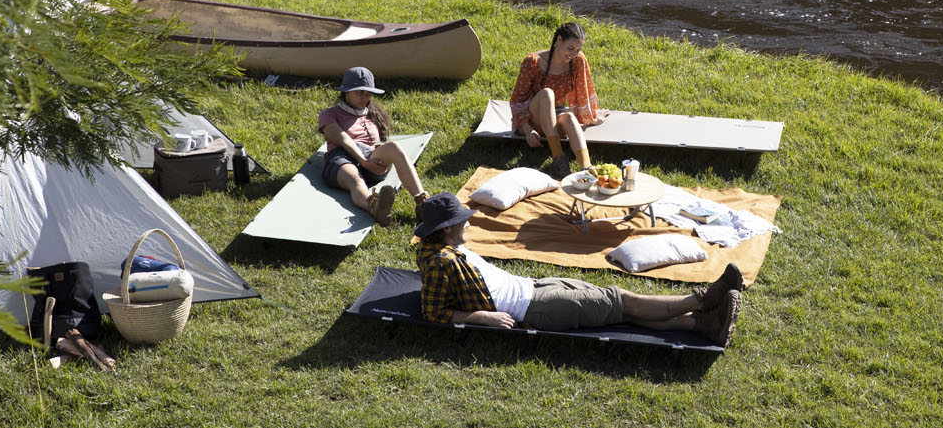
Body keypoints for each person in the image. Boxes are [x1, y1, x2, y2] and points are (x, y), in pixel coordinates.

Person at [413, 193, 745, 346]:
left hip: (535, 286)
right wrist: (479, 318)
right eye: (461, 222)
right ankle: (701, 300)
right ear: (445, 229)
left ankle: (703, 325)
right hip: (532, 308)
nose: (467, 225)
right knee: (621, 301)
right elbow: (433, 312)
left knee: (616, 311)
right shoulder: (439, 262)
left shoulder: (447, 247)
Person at [317, 66, 429, 226]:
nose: (365, 96)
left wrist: (373, 162)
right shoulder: (329, 114)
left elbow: (376, 145)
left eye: (368, 92)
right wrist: (364, 161)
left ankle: (423, 203)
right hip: (340, 158)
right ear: (347, 91)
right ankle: (374, 206)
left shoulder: (371, 113)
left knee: (394, 148)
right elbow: (342, 139)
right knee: (355, 179)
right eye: (359, 92)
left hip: (369, 157)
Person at [508, 22, 609, 178]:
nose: (573, 54)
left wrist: (591, 116)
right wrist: (527, 130)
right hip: (531, 118)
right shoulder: (533, 62)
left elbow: (583, 90)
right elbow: (517, 102)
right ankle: (559, 159)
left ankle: (586, 168)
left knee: (568, 117)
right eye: (570, 49)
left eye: (578, 50)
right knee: (547, 93)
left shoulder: (577, 61)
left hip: (557, 117)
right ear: (559, 40)